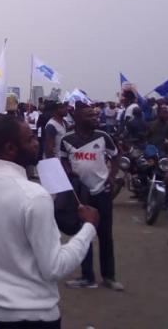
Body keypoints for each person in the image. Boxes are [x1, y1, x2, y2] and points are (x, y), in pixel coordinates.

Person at [0, 114, 98, 328]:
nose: (36, 142)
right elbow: (54, 267)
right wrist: (89, 228)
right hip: (32, 315)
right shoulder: (34, 196)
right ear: (10, 148)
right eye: (29, 139)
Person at [60, 105, 123, 290]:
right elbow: (62, 159)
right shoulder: (67, 139)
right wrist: (69, 172)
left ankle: (109, 276)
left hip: (101, 192)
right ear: (77, 117)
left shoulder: (103, 136)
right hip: (81, 195)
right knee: (83, 233)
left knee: (105, 235)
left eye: (95, 114)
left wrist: (111, 177)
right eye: (89, 115)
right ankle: (87, 277)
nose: (95, 117)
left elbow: (116, 156)